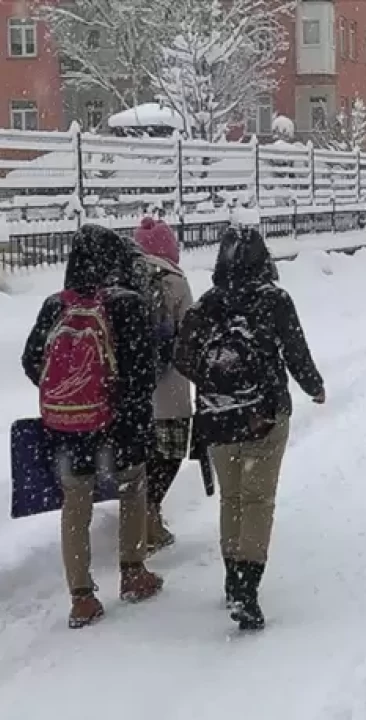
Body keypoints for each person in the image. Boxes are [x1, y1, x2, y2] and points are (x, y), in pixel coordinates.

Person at [174, 226, 325, 631]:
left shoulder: (208, 303)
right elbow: (295, 352)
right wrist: (314, 386)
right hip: (263, 414)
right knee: (258, 501)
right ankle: (246, 587)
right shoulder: (274, 300)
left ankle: (232, 578)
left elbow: (181, 355)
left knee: (233, 499)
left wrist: (213, 380)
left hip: (217, 416)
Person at [21, 224, 163, 629]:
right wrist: (118, 403)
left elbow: (31, 360)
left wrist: (70, 392)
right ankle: (133, 572)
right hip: (121, 423)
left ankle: (81, 597)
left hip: (68, 426)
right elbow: (143, 371)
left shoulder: (56, 305)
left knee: (76, 503)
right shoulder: (127, 303)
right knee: (132, 488)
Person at [132, 216, 195, 552]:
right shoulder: (176, 282)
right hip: (170, 390)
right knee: (168, 455)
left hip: (133, 390)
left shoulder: (122, 278)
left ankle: (137, 516)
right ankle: (151, 513)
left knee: (139, 458)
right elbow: (191, 335)